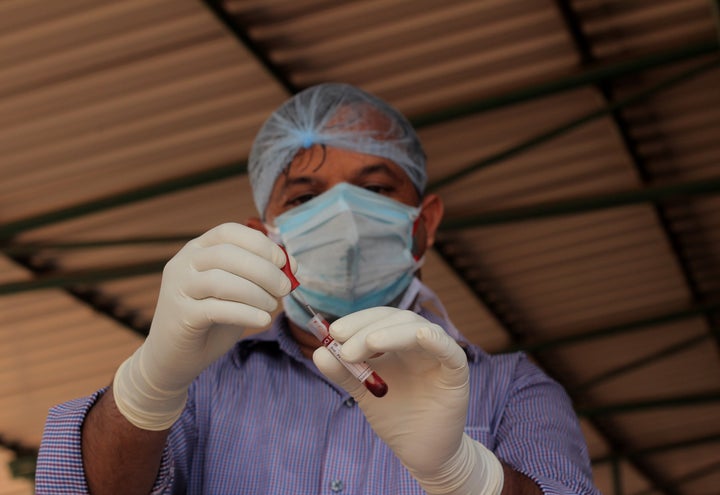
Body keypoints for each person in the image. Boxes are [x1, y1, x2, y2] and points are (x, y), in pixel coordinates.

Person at [36, 83, 600, 495]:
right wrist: (149, 384)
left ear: (423, 224)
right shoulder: (201, 383)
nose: (342, 216)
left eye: (375, 187)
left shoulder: (513, 388)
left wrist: (465, 474)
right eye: (304, 199)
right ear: (264, 236)